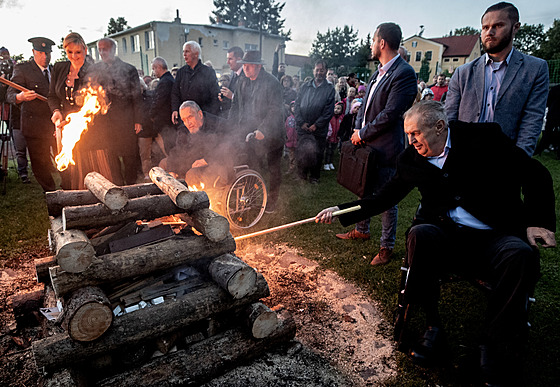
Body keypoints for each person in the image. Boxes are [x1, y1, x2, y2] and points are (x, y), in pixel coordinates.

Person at [316, 100, 556, 386]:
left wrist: (538, 221)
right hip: (448, 236)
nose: (410, 141)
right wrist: (340, 211)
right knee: (420, 235)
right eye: (407, 134)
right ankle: (432, 327)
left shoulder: (484, 138)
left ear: (440, 127)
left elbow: (535, 173)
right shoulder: (411, 159)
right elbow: (384, 197)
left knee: (520, 255)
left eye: (415, 133)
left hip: (496, 236)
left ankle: (492, 346)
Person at [335, 22, 418, 267]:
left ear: (382, 42)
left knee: (386, 199)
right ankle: (362, 229)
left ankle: (386, 246)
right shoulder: (377, 72)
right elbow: (366, 105)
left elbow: (391, 113)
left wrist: (363, 134)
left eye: (373, 40)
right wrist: (357, 129)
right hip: (367, 144)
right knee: (363, 189)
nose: (371, 45)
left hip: (386, 148)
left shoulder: (404, 73)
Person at [445, 1, 549, 156]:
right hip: (464, 156)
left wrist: (519, 161)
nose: (489, 32)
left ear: (515, 27)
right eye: (485, 27)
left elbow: (532, 120)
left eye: (498, 26)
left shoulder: (535, 69)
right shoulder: (463, 72)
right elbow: (449, 117)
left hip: (506, 157)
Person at [48, 33, 117, 190]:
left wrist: (74, 122)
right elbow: (52, 96)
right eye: (69, 52)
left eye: (78, 52)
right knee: (75, 175)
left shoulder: (97, 70)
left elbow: (101, 104)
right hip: (69, 131)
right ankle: (80, 206)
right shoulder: (59, 68)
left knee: (98, 171)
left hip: (94, 130)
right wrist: (56, 111)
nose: (74, 56)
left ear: (85, 50)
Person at [228, 50, 284, 213]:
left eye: (249, 66)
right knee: (250, 165)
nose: (245, 68)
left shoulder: (272, 83)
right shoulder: (242, 81)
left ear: (259, 66)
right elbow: (235, 106)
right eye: (244, 65)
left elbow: (275, 110)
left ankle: (272, 201)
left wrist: (263, 130)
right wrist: (231, 127)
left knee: (273, 168)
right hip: (249, 133)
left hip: (273, 134)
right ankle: (249, 198)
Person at [89, 37, 143, 186]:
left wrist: (138, 120)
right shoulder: (95, 69)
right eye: (99, 49)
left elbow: (137, 97)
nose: (101, 52)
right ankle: (117, 185)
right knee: (110, 155)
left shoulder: (129, 69)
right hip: (105, 123)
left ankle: (131, 185)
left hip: (125, 120)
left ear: (113, 50)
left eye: (104, 49)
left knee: (129, 156)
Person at [7, 37, 57, 191]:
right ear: (33, 52)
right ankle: (52, 194)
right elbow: (10, 93)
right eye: (41, 53)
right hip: (34, 127)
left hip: (55, 125)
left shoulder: (55, 70)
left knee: (65, 160)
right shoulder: (23, 69)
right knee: (40, 165)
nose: (45, 57)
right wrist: (20, 97)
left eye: (48, 53)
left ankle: (68, 190)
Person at [163, 100, 233, 187]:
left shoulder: (218, 125)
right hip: (194, 163)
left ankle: (193, 199)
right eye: (184, 120)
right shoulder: (184, 129)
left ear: (200, 114)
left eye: (190, 118)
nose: (188, 123)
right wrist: (172, 170)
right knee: (164, 164)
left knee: (192, 174)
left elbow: (229, 148)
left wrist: (207, 160)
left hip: (217, 164)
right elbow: (177, 150)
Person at [294, 59, 335, 184]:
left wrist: (317, 125)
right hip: (303, 127)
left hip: (319, 129)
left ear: (325, 71)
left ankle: (314, 176)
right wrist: (301, 122)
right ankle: (302, 175)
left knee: (317, 153)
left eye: (321, 70)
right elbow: (297, 105)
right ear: (313, 71)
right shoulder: (304, 86)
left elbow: (328, 111)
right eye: (317, 70)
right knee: (302, 152)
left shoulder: (329, 89)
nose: (319, 73)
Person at [171, 41, 220, 122]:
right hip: (185, 118)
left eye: (187, 51)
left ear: (196, 54)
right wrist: (175, 109)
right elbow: (175, 93)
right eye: (183, 51)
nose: (184, 54)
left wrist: (211, 116)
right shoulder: (181, 72)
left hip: (203, 118)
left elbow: (215, 96)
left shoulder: (208, 72)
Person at [150, 56, 175, 155]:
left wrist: (151, 114)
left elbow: (158, 101)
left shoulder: (165, 82)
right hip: (167, 120)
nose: (153, 72)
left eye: (153, 69)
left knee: (169, 148)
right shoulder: (168, 79)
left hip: (165, 121)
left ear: (159, 67)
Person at [218, 46, 244, 115]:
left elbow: (248, 101)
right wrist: (223, 98)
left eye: (230, 59)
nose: (227, 62)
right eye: (227, 59)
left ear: (239, 60)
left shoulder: (246, 75)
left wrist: (232, 96)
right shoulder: (233, 73)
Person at [324, 101, 344, 171]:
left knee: (333, 150)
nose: (336, 110)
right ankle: (326, 163)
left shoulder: (341, 118)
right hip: (330, 136)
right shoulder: (330, 117)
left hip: (336, 137)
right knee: (328, 150)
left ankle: (330, 162)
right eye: (335, 108)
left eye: (338, 109)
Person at [284, 101, 297, 174]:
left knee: (298, 156)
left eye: (295, 106)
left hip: (297, 141)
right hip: (290, 141)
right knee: (291, 156)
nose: (294, 108)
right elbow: (286, 129)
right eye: (292, 106)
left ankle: (298, 170)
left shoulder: (300, 118)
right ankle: (291, 168)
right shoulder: (288, 119)